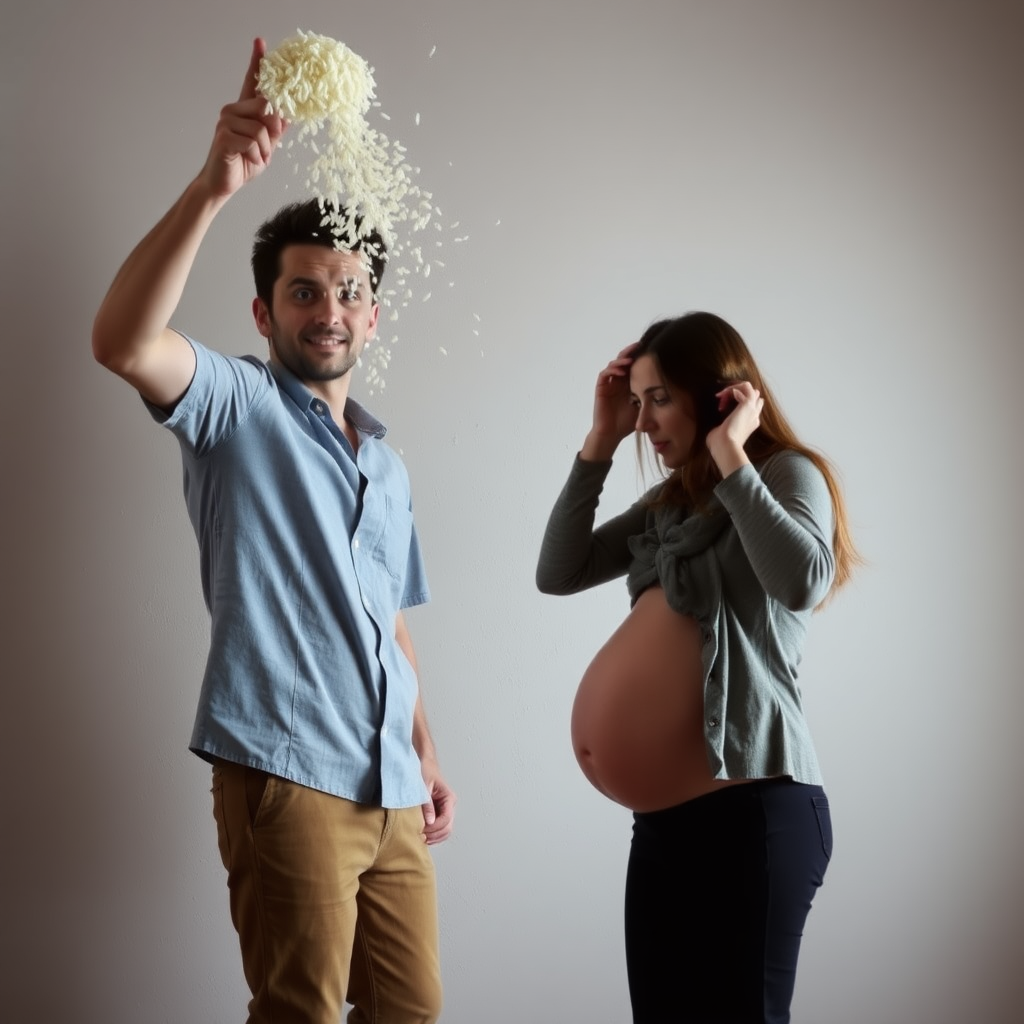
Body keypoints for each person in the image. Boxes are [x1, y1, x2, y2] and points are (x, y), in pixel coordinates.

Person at [92, 38, 454, 1024]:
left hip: (388, 782)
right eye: (303, 290)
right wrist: (213, 187)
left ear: (372, 316)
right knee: (299, 1012)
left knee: (410, 1011)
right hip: (287, 773)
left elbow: (387, 614)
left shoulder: (385, 459)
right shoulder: (238, 406)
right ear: (264, 310)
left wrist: (422, 746)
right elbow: (122, 342)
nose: (328, 310)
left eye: (347, 292)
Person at [536, 311, 859, 1024]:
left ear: (718, 396)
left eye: (660, 398)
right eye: (638, 400)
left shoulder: (783, 473)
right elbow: (558, 571)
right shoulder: (670, 505)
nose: (645, 421)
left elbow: (802, 578)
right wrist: (599, 440)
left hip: (754, 814)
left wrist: (731, 454)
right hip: (665, 827)